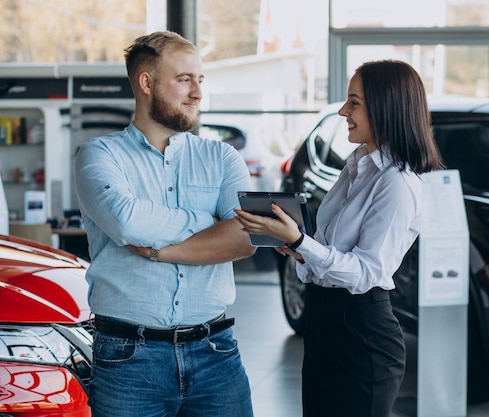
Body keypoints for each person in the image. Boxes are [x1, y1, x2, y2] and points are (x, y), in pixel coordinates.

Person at [235, 59, 445, 417]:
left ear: (386, 106)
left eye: (354, 102)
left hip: (362, 334)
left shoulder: (397, 182)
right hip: (325, 324)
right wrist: (299, 248)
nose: (343, 111)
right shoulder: (357, 165)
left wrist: (303, 244)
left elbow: (365, 273)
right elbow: (333, 252)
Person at [74, 30, 256, 417]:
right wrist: (209, 223)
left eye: (200, 80)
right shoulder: (98, 157)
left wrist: (160, 250)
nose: (197, 93)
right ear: (146, 83)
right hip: (128, 360)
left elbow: (245, 236)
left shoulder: (222, 157)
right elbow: (125, 221)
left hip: (216, 355)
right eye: (184, 79)